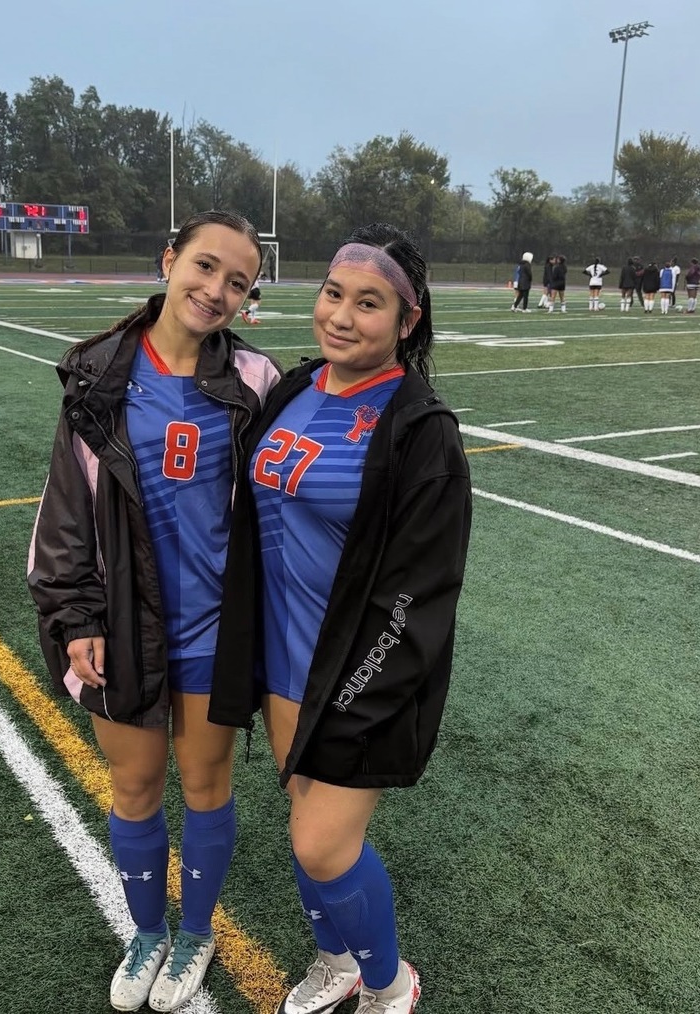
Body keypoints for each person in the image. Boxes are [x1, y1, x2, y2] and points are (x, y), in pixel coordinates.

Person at [210, 223, 473, 1014]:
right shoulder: (293, 389)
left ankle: (392, 986)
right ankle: (338, 960)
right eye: (334, 294)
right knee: (306, 824)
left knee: (321, 843)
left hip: (361, 672)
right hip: (283, 660)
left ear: (407, 320)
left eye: (369, 303)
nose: (343, 316)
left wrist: (362, 690)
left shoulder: (421, 430)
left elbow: (419, 592)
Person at [27, 210, 282, 1013]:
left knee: (207, 785)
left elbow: (285, 504)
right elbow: (65, 512)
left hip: (215, 628)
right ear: (168, 259)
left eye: (237, 282)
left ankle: (196, 932)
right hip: (124, 625)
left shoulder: (256, 381)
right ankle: (146, 932)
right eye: (205, 267)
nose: (216, 290)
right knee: (134, 786)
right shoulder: (98, 374)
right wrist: (76, 618)